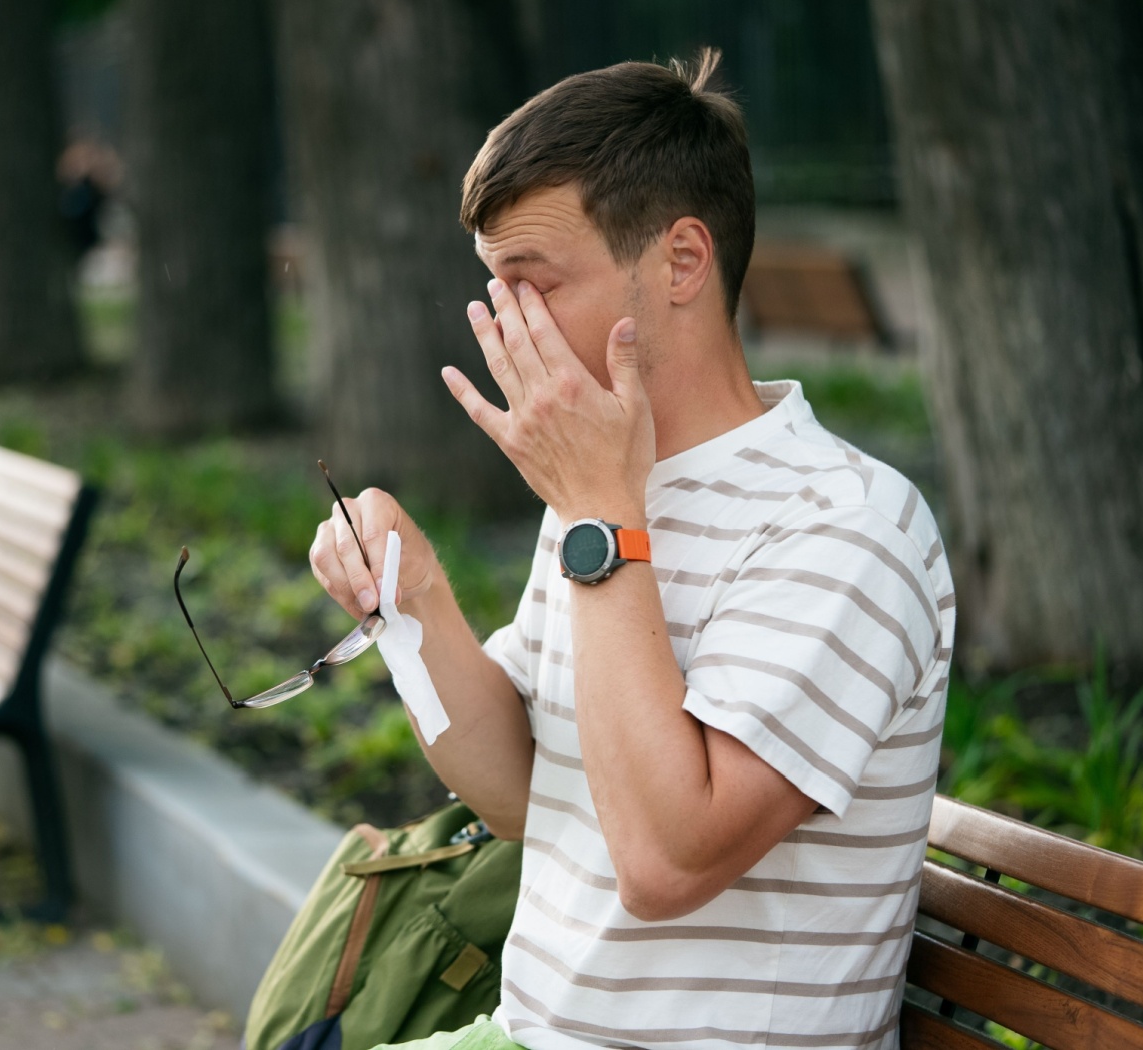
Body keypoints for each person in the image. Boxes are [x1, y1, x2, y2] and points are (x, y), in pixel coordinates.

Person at [309, 50, 954, 1050]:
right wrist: (410, 604)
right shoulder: (602, 483)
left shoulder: (846, 525)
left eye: (534, 284)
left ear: (681, 261)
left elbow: (664, 864)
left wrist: (601, 521)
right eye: (492, 287)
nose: (501, 327)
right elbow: (524, 793)